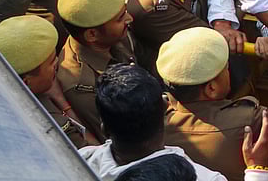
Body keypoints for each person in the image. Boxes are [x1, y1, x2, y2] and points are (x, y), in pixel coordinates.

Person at [157, 27, 268, 179]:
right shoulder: (250, 120)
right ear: (211, 88)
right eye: (226, 67)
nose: (229, 70)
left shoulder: (154, 127)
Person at [78, 63, 230, 180]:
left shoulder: (77, 162)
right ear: (165, 108)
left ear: (104, 128)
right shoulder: (204, 178)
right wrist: (253, 171)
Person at [0, 14, 93, 148]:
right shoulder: (52, 125)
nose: (57, 63)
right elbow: (92, 155)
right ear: (26, 83)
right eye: (51, 63)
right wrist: (62, 102)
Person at [56, 0, 136, 143]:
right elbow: (119, 140)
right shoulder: (82, 85)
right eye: (121, 18)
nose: (129, 19)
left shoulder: (111, 38)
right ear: (92, 34)